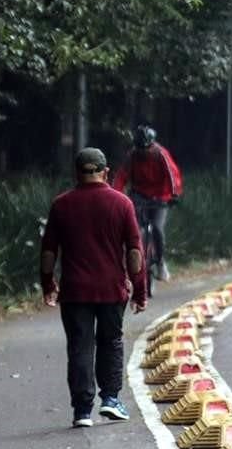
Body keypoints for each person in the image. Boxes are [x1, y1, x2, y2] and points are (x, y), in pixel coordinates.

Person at [40, 147, 148, 428]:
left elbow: (49, 250)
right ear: (106, 172)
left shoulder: (61, 205)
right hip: (111, 289)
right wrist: (140, 289)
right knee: (110, 341)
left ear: (76, 173)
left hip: (74, 291)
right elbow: (135, 252)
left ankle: (82, 410)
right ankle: (110, 399)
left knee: (79, 345)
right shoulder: (122, 203)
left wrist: (47, 282)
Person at [112, 123, 183, 282]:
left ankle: (160, 262)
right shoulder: (132, 156)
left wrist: (174, 194)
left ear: (152, 145)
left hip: (161, 196)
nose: (144, 153)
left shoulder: (160, 154)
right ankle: (132, 265)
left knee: (157, 227)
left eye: (146, 149)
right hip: (139, 195)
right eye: (140, 149)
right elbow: (121, 176)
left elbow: (173, 175)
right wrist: (114, 195)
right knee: (134, 230)